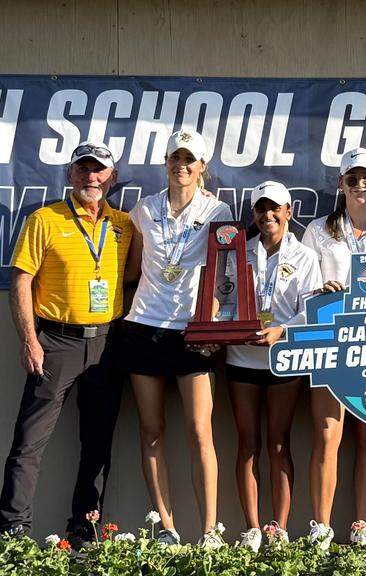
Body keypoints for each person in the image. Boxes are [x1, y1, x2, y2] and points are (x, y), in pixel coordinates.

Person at [0, 141, 133, 547]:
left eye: (99, 170)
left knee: (97, 443)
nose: (91, 177)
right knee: (30, 441)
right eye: (83, 169)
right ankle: (14, 534)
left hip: (107, 344)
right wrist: (28, 340)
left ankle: (84, 529)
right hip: (55, 341)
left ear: (111, 177)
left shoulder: (124, 224)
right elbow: (20, 279)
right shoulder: (44, 219)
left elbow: (141, 274)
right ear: (71, 175)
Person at [119, 129, 231, 547]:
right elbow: (132, 271)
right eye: (174, 158)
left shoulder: (219, 212)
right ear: (166, 162)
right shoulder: (143, 210)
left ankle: (210, 532)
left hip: (192, 333)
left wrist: (216, 319)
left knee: (200, 432)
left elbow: (227, 278)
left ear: (202, 167)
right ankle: (166, 528)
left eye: (190, 159)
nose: (181, 165)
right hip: (144, 327)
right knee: (150, 431)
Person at [300, 147, 366, 553]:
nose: (360, 185)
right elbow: (299, 288)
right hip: (331, 347)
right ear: (340, 184)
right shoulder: (317, 231)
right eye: (352, 178)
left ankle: (361, 526)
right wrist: (320, 291)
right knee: (326, 435)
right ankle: (321, 528)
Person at [226, 181, 323, 552]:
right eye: (261, 209)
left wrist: (282, 330)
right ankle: (252, 529)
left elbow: (310, 312)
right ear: (254, 214)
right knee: (248, 444)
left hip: (283, 359)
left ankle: (278, 529)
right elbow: (224, 299)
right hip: (242, 358)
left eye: (275, 208)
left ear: (289, 211)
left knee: (279, 444)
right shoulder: (239, 252)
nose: (268, 215)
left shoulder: (305, 256)